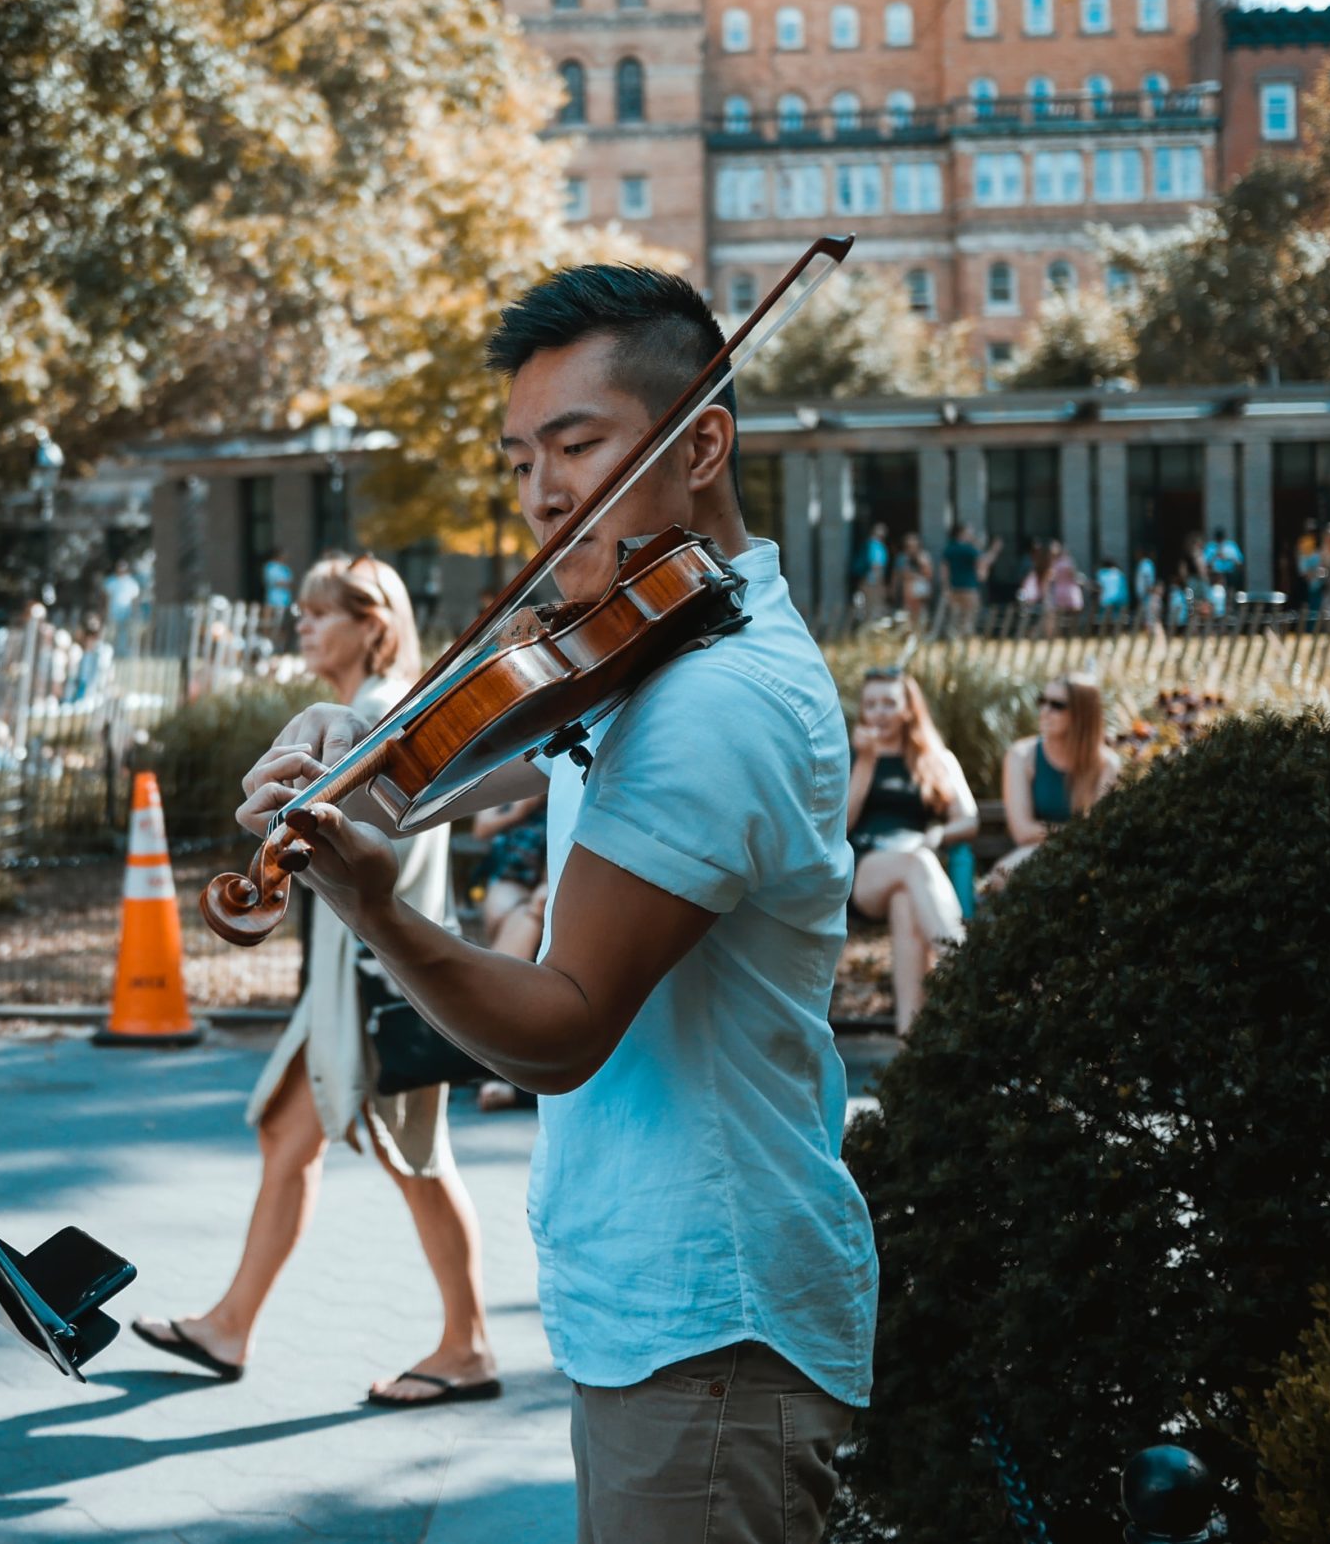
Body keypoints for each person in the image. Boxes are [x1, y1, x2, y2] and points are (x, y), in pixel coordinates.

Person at [227, 265, 871, 1536]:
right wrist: (358, 743)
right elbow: (487, 745)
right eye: (521, 458)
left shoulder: (714, 697)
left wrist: (376, 906)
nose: (541, 495)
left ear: (701, 443)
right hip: (664, 1314)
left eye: (577, 445)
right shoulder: (656, 638)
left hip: (709, 1328)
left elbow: (565, 1025)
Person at [131, 554, 495, 1410]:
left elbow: (389, 855)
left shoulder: (381, 715)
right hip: (348, 982)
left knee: (416, 1157)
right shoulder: (360, 713)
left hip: (379, 984)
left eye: (319, 612)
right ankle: (230, 1324)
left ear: (372, 624)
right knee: (289, 1139)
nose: (302, 625)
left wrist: (302, 845)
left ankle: (470, 1346)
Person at [845, 667, 973, 1035]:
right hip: (864, 871)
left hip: (913, 874)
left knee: (906, 902)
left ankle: (911, 1043)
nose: (879, 712)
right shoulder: (853, 757)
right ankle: (963, 968)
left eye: (889, 703)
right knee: (916, 865)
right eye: (871, 704)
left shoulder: (935, 758)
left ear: (908, 709)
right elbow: (843, 826)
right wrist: (867, 762)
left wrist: (934, 836)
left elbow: (969, 820)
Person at [986, 673, 1120, 890]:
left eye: (1057, 705)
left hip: (1085, 858)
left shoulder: (1107, 765)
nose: (1045, 711)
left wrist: (1065, 833)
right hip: (1033, 853)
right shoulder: (1021, 756)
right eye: (1042, 701)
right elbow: (1022, 831)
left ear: (1082, 714)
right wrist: (1075, 832)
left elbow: (1099, 834)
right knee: (1004, 874)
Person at [469, 790, 549, 1109]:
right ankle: (496, 1016)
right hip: (510, 875)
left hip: (548, 881)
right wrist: (519, 809)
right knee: (513, 915)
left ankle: (494, 1021)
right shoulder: (509, 781)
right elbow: (481, 828)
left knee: (532, 912)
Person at [938, 523, 985, 636]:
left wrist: (946, 587)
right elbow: (982, 562)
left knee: (956, 617)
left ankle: (956, 638)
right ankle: (965, 639)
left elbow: (944, 570)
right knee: (969, 616)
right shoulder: (969, 549)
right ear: (961, 533)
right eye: (969, 532)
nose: (972, 534)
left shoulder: (949, 548)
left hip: (953, 588)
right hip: (969, 587)